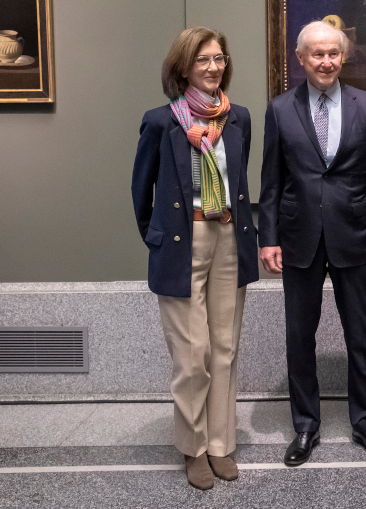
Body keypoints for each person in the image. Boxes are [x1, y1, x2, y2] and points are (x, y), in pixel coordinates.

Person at [258, 20, 366, 466]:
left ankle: (365, 423)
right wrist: (268, 238)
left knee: (361, 335)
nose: (326, 61)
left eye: (333, 54)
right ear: (301, 59)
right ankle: (305, 426)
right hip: (298, 238)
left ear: (343, 57)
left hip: (354, 235)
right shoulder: (280, 109)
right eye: (316, 54)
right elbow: (272, 181)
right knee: (300, 336)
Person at [131, 27, 259, 490]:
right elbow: (140, 191)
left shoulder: (239, 118)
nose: (212, 67)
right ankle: (194, 448)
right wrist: (158, 237)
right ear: (183, 67)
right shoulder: (161, 121)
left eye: (219, 58)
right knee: (193, 355)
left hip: (229, 237)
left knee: (224, 348)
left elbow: (240, 183)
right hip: (185, 242)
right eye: (202, 60)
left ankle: (221, 444)